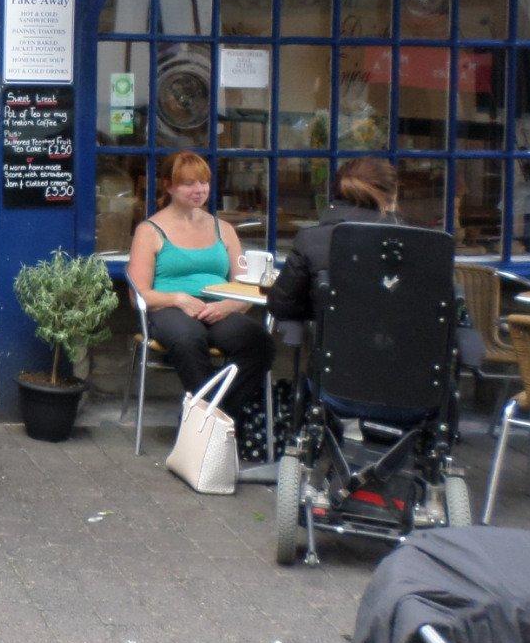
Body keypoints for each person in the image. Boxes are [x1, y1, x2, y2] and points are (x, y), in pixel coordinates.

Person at [126, 151, 273, 452]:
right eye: (188, 183)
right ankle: (213, 430)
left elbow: (245, 286)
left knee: (259, 343)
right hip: (167, 308)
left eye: (204, 182)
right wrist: (179, 299)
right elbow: (138, 294)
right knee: (188, 338)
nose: (199, 190)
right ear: (168, 186)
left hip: (217, 308)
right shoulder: (150, 231)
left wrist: (229, 305)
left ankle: (207, 419)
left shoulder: (224, 229)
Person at [267, 157, 404, 326]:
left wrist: (323, 304)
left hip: (337, 347)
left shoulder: (312, 240)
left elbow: (281, 305)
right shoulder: (417, 243)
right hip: (409, 349)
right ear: (393, 195)